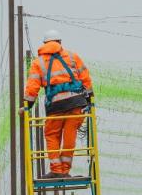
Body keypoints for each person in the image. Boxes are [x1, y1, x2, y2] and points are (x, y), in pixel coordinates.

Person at [22, 29, 93, 180]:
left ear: (44, 44)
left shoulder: (38, 62)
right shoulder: (72, 56)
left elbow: (32, 87)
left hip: (55, 106)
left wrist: (27, 106)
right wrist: (89, 100)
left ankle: (56, 170)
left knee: (52, 135)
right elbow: (86, 78)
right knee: (70, 136)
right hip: (76, 104)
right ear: (60, 42)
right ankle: (65, 170)